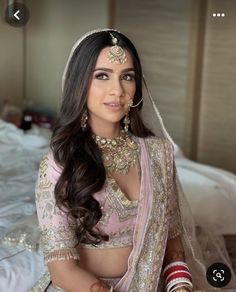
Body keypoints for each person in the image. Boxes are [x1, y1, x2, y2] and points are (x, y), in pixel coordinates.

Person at [30, 29, 211, 292]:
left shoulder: (158, 155)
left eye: (127, 76)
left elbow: (172, 245)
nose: (117, 90)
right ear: (80, 83)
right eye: (102, 76)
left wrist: (179, 287)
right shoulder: (60, 163)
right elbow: (63, 271)